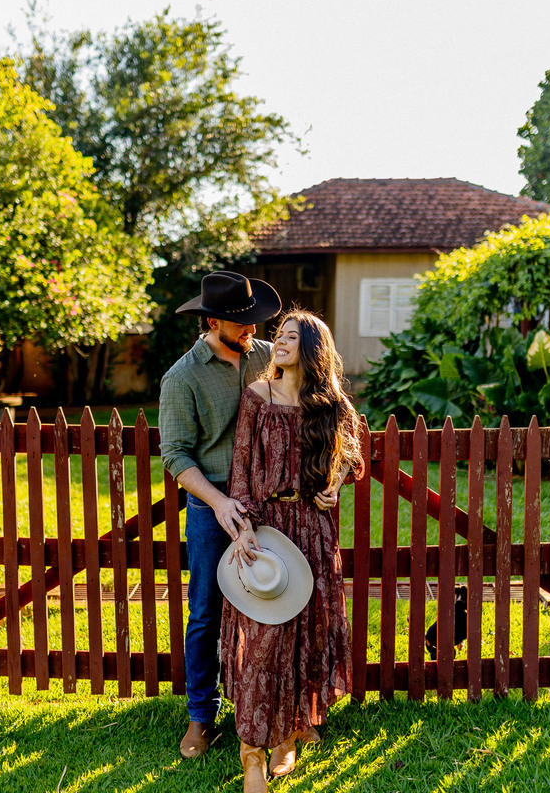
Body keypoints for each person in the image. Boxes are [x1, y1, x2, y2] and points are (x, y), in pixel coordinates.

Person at [161, 271, 326, 760]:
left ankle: (293, 713)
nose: (253, 330)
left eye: (254, 321)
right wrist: (219, 502)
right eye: (241, 323)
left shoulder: (267, 356)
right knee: (206, 612)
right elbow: (175, 455)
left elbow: (318, 398)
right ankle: (201, 717)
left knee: (285, 607)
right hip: (215, 508)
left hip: (272, 506)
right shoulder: (182, 377)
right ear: (213, 323)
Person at [219, 309, 364, 792]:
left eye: (290, 337)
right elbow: (241, 468)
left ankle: (290, 731)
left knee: (306, 632)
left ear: (312, 348)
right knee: (265, 638)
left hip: (313, 528)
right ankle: (251, 751)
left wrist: (335, 484)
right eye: (278, 335)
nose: (278, 342)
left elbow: (354, 455)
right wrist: (243, 528)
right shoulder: (257, 396)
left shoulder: (331, 402)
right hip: (267, 528)